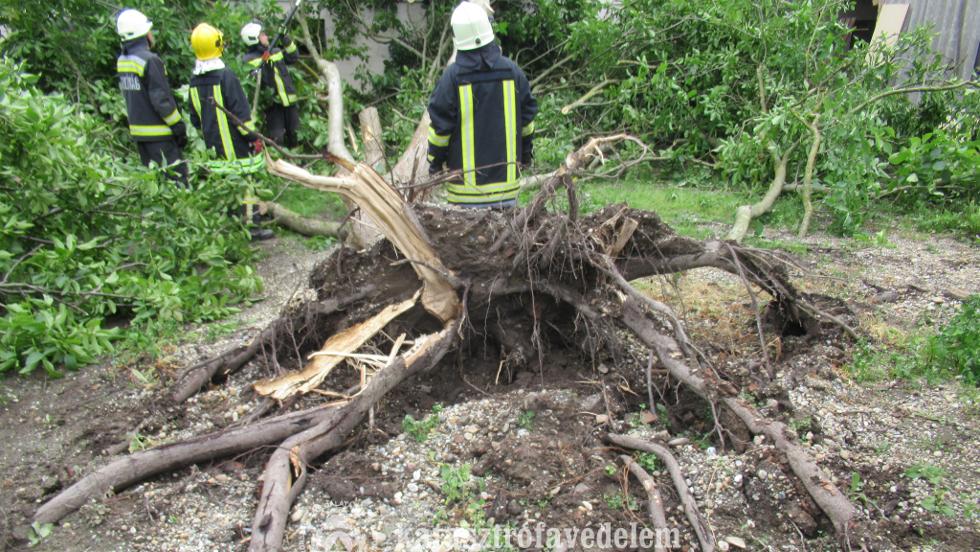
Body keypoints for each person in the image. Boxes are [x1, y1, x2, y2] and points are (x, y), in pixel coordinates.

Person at [427, 1, 537, 208]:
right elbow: (527, 123)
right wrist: (525, 156)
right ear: (488, 30)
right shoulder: (512, 72)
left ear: (458, 38)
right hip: (507, 193)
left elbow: (440, 131)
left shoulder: (452, 78)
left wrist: (434, 164)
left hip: (465, 197)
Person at [187, 23, 274, 241]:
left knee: (226, 188)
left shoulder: (194, 82)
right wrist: (254, 138)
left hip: (214, 149)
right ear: (217, 45)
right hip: (236, 147)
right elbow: (241, 116)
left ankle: (231, 229)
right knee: (247, 187)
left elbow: (195, 118)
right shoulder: (225, 76)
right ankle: (252, 228)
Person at [115, 8, 188, 186]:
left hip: (141, 137)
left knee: (156, 187)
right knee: (177, 183)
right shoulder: (149, 60)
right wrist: (178, 126)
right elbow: (161, 100)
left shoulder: (123, 61)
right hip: (160, 136)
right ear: (143, 33)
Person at [240, 22, 301, 148]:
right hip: (272, 106)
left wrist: (286, 39)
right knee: (277, 139)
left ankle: (299, 164)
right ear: (254, 39)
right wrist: (263, 62)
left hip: (289, 101)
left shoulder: (275, 51)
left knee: (295, 135)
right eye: (262, 35)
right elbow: (252, 83)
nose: (266, 37)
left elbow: (293, 57)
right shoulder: (249, 60)